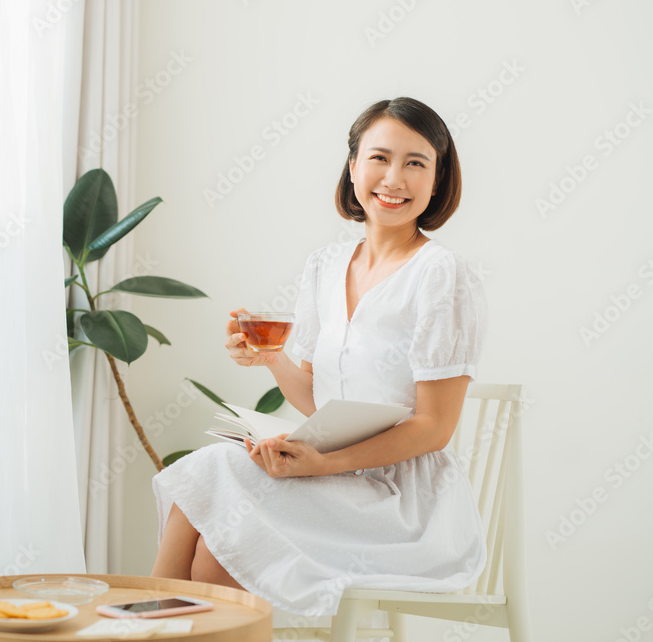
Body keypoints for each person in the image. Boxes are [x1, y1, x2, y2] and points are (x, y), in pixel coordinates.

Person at [150, 96, 488, 617]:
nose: (393, 178)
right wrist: (270, 359)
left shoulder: (441, 275)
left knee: (216, 495)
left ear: (438, 180)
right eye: (379, 157)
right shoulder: (325, 267)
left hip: (404, 505)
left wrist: (321, 463)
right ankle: (154, 621)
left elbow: (434, 428)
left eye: (416, 163)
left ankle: (144, 622)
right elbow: (317, 401)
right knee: (219, 541)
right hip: (332, 481)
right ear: (353, 166)